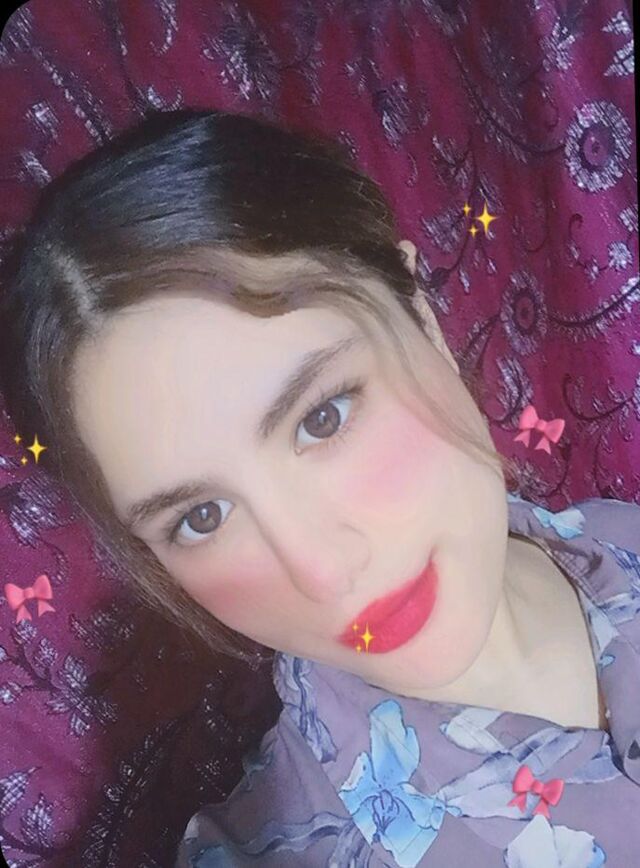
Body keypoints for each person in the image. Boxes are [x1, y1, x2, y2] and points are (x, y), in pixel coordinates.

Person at [0, 109, 638, 867]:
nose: (322, 574)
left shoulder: (614, 536)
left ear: (420, 314)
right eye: (202, 517)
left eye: (323, 417)